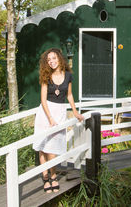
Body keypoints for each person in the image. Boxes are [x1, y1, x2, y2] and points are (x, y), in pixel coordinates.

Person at [32, 48, 84, 193]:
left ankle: (53, 175)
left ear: (59, 59)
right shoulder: (46, 76)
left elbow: (69, 95)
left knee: (53, 147)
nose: (52, 62)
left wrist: (74, 112)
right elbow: (43, 99)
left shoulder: (68, 76)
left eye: (54, 58)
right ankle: (45, 177)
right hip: (45, 112)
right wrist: (50, 118)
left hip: (60, 112)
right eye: (49, 60)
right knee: (43, 146)